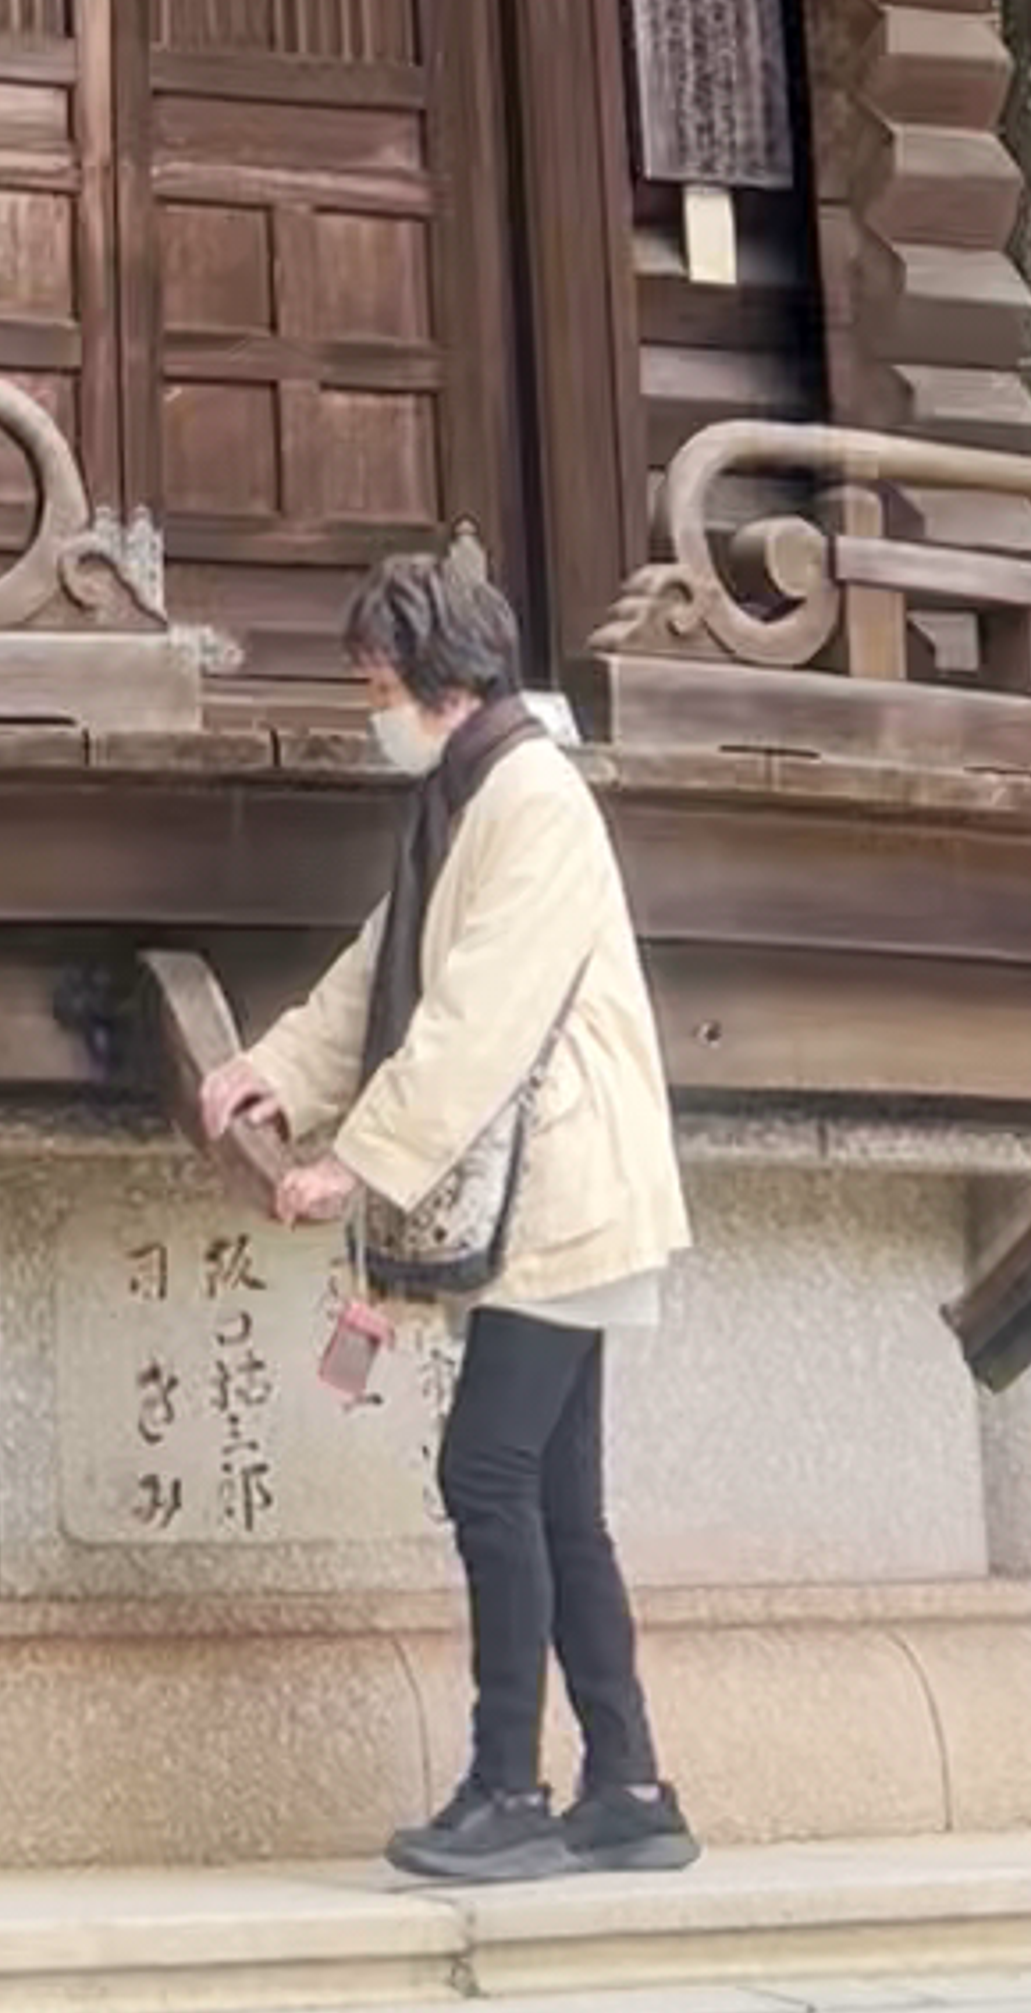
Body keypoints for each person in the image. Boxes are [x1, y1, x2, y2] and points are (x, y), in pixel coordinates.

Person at [199, 536, 694, 1886]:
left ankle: (508, 1785)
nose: (373, 709)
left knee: (487, 1471)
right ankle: (631, 1784)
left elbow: (474, 1016)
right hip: (558, 1200)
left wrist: (351, 1162)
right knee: (556, 1495)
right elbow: (382, 972)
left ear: (439, 676)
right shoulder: (474, 800)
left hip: (566, 1193)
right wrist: (267, 1071)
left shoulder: (531, 798)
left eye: (376, 681)